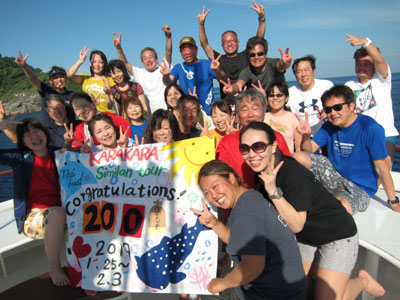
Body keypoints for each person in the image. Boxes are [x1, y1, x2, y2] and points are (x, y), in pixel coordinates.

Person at [239, 121, 386, 300]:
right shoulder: (261, 173)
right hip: (307, 238)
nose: (251, 154)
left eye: (258, 146)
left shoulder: (292, 174)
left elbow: (296, 225)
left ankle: (362, 281)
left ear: (274, 146)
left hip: (336, 235)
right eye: (245, 148)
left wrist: (273, 191)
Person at [192, 160, 307, 300]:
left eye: (215, 186)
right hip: (284, 288)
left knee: (205, 293)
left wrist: (223, 283)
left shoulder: (246, 213)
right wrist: (215, 224)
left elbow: (252, 268)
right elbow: (240, 240)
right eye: (207, 193)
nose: (213, 195)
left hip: (274, 293)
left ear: (232, 178)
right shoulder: (249, 197)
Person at [294, 85, 399, 214]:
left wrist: (393, 202)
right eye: (328, 110)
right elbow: (309, 149)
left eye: (337, 107)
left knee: (340, 209)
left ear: (351, 106)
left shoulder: (370, 128)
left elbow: (381, 168)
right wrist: (305, 136)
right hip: (335, 176)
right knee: (298, 157)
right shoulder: (329, 126)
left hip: (360, 187)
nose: (332, 113)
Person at [0, 118, 69, 287]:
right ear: (22, 141)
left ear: (45, 133)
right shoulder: (20, 159)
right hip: (34, 216)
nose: (34, 136)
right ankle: (54, 266)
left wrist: (73, 146)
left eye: (37, 131)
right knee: (59, 214)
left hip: (62, 211)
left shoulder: (58, 153)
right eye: (28, 134)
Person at [216, 88, 291, 188]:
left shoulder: (276, 138)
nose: (250, 115)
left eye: (255, 109)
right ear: (237, 115)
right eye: (244, 110)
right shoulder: (227, 142)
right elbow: (222, 176)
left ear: (264, 111)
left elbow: (287, 170)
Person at [344, 34, 399, 165]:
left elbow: (380, 60)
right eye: (358, 63)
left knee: (384, 165)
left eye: (366, 63)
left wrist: (366, 42)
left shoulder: (381, 79)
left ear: (374, 65)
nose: (361, 67)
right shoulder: (349, 86)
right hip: (359, 137)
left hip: (384, 135)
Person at [197, 1, 266, 103]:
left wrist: (262, 19)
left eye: (232, 41)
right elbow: (204, 44)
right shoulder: (218, 58)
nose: (229, 44)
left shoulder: (246, 55)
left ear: (238, 43)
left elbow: (259, 39)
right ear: (222, 45)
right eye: (226, 42)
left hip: (248, 102)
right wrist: (201, 24)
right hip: (228, 106)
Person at [112, 25, 172, 113]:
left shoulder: (163, 68)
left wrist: (168, 37)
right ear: (142, 62)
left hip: (165, 112)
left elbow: (168, 52)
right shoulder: (139, 73)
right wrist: (118, 48)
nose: (148, 60)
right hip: (148, 116)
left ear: (156, 59)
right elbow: (124, 63)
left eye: (151, 57)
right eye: (145, 58)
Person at [161, 36, 225, 116]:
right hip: (189, 115)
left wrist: (217, 70)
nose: (188, 52)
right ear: (181, 52)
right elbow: (168, 82)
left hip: (209, 114)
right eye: (184, 49)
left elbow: (223, 78)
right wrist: (166, 75)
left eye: (190, 48)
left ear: (196, 50)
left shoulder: (208, 64)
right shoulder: (178, 67)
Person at [14, 50, 76, 129]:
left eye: (61, 76)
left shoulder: (73, 95)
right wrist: (25, 67)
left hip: (71, 131)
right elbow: (33, 79)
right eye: (55, 78)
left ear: (66, 78)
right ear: (51, 81)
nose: (59, 80)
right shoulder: (46, 91)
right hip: (51, 132)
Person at [220, 36, 292, 95]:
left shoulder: (272, 64)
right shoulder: (248, 71)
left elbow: (280, 66)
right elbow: (238, 85)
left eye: (260, 54)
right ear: (248, 57)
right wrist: (232, 89)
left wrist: (284, 63)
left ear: (266, 54)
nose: (256, 57)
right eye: (252, 55)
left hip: (279, 106)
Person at [64, 92, 131, 151]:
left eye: (85, 106)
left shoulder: (113, 119)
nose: (82, 111)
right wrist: (68, 143)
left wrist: (127, 144)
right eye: (77, 109)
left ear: (93, 104)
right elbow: (75, 150)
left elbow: (134, 140)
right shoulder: (80, 129)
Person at [288, 55, 333, 135]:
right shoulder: (290, 93)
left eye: (306, 70)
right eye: (299, 72)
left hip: (325, 134)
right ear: (295, 75)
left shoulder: (326, 86)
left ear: (313, 71)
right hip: (302, 137)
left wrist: (328, 113)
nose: (303, 74)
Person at [67, 48, 116, 113]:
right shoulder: (85, 79)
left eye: (101, 62)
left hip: (108, 115)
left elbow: (111, 103)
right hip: (89, 115)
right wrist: (80, 61)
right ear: (90, 63)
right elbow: (69, 75)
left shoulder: (111, 80)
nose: (97, 65)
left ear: (104, 64)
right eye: (94, 62)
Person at [264, 82, 301, 154]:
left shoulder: (292, 118)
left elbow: (298, 149)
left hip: (287, 159)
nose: (275, 98)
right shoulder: (263, 117)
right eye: (271, 95)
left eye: (279, 95)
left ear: (286, 98)